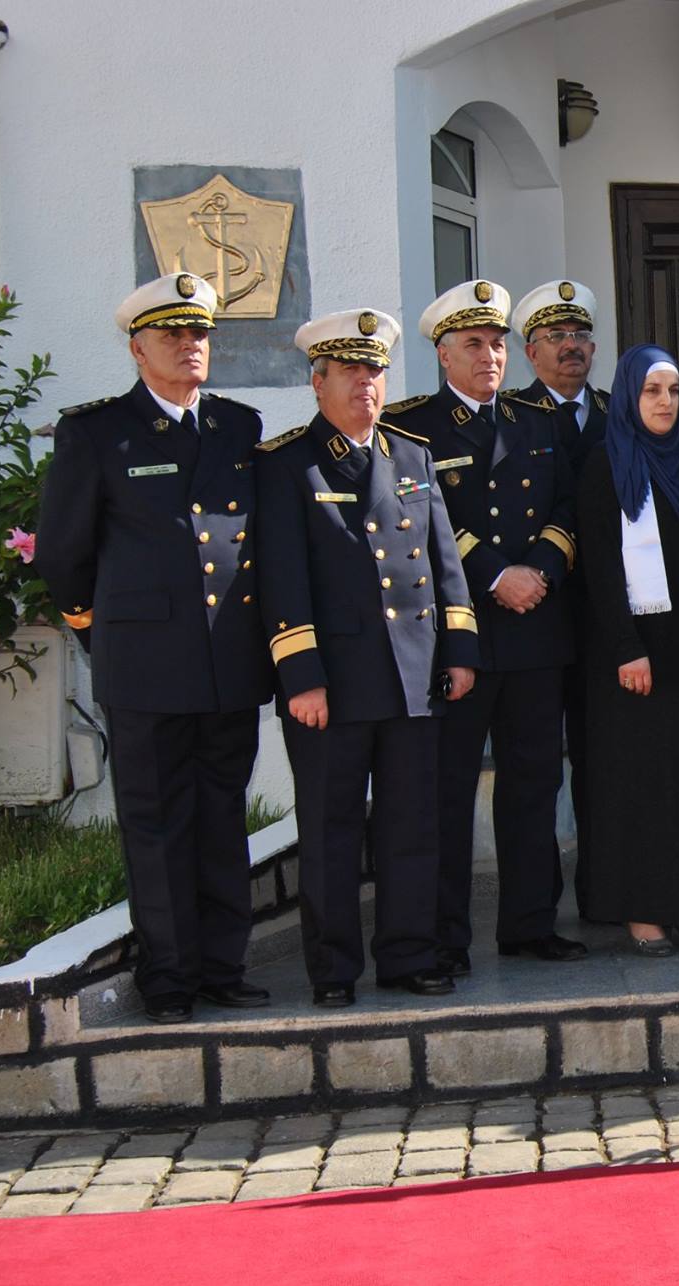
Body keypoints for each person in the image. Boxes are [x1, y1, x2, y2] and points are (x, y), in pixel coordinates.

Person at [35, 273, 270, 1024]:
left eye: (199, 333)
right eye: (172, 334)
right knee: (158, 823)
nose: (189, 345)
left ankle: (223, 967)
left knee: (221, 816)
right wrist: (97, 631)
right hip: (144, 665)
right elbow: (63, 551)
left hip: (227, 661)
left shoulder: (237, 426)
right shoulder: (98, 433)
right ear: (138, 350)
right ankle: (169, 977)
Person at [256, 309, 477, 1005]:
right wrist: (301, 678)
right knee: (331, 831)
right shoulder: (288, 464)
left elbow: (445, 564)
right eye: (350, 371)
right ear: (316, 383)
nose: (366, 384)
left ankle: (409, 955)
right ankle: (332, 969)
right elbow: (283, 579)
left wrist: (460, 649)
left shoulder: (411, 455)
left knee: (413, 825)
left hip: (413, 676)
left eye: (375, 370)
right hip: (334, 684)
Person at [389, 281, 584, 975]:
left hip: (536, 629)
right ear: (443, 355)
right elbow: (422, 521)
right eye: (474, 344)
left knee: (533, 784)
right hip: (461, 633)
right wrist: (500, 574)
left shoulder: (540, 421)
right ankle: (446, 937)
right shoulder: (411, 427)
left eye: (498, 345)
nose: (490, 357)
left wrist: (540, 571)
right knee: (447, 790)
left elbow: (569, 508)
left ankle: (530, 924)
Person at [579, 344, 679, 950]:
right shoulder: (605, 464)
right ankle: (643, 909)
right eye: (652, 391)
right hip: (635, 655)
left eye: (673, 391)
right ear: (629, 395)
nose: (666, 402)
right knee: (640, 782)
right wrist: (626, 646)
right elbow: (599, 566)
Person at [512, 280, 609, 921]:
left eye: (579, 335)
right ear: (531, 352)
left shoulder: (618, 412)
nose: (570, 346)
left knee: (604, 761)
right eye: (555, 337)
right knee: (538, 767)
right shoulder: (511, 415)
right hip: (535, 616)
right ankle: (538, 908)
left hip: (607, 619)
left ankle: (606, 892)